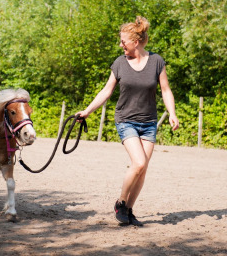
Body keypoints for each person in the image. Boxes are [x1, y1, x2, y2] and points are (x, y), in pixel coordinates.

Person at [76, 16, 179, 226]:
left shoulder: (157, 61)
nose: (120, 45)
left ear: (136, 42)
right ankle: (120, 203)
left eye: (123, 41)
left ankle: (129, 211)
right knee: (139, 162)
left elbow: (166, 90)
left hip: (149, 122)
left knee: (143, 168)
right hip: (126, 120)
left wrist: (172, 113)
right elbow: (106, 91)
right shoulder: (120, 63)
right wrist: (87, 111)